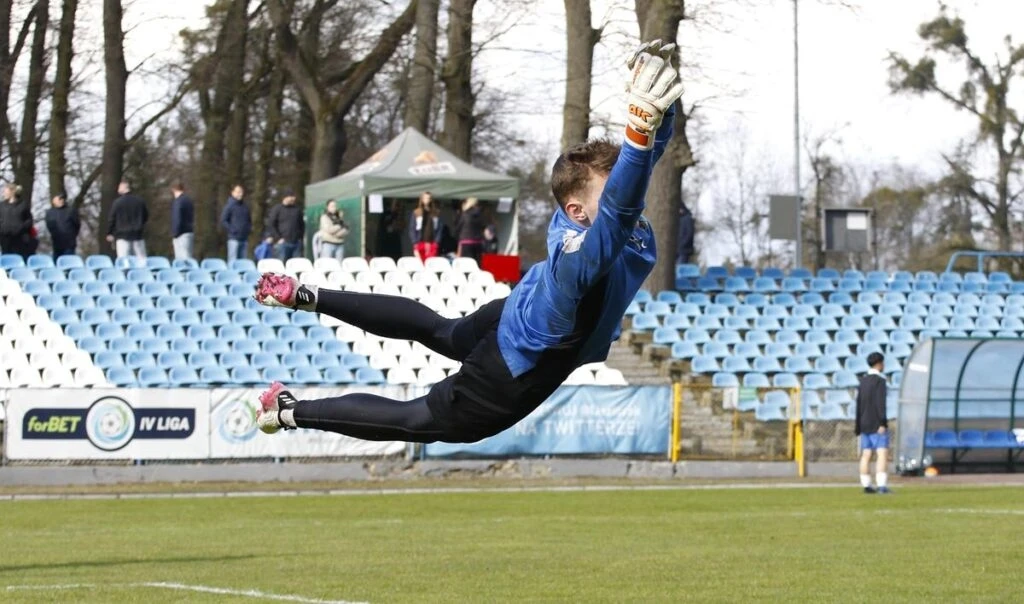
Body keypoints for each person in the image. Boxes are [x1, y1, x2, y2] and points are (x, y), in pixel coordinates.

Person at [251, 40, 683, 445]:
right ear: (577, 211)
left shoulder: (587, 220)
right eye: (610, 193)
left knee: (442, 331)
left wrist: (662, 110)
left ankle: (306, 295)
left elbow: (639, 168)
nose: (626, 194)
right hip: (514, 366)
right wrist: (638, 129)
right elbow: (621, 203)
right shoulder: (582, 259)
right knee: (414, 420)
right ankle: (287, 411)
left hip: (518, 313)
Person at [856, 352, 891, 494]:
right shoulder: (880, 381)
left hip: (864, 422)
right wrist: (882, 422)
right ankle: (881, 485)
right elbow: (880, 403)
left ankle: (866, 485)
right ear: (879, 364)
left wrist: (858, 425)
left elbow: (859, 404)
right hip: (876, 422)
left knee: (866, 454)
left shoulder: (862, 381)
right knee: (882, 453)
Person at [106, 179, 148, 259]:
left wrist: (110, 232)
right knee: (141, 261)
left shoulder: (117, 202)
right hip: (138, 235)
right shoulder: (140, 201)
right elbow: (145, 216)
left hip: (122, 236)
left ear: (123, 188)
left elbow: (112, 218)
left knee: (124, 260)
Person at [266, 189, 305, 261]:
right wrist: (278, 238)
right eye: (292, 196)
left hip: (296, 243)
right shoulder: (277, 209)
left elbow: (301, 225)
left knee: (296, 264)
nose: (294, 198)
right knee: (281, 264)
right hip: (282, 243)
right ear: (286, 197)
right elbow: (271, 224)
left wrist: (300, 239)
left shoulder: (297, 210)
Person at [0, 183, 34, 258]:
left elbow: (29, 220)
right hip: (5, 237)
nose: (4, 194)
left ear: (12, 192)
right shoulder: (1, 205)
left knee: (19, 257)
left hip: (19, 238)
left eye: (5, 191)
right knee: (6, 258)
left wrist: (21, 228)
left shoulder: (23, 205)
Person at [408, 191, 444, 261]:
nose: (427, 200)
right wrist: (414, 242)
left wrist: (436, 242)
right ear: (422, 199)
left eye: (428, 198)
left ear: (431, 200)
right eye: (425, 198)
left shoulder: (436, 212)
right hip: (419, 242)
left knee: (430, 262)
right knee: (420, 262)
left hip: (432, 243)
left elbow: (440, 228)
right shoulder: (416, 212)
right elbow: (412, 228)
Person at [220, 184, 251, 261]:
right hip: (234, 239)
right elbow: (224, 220)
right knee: (233, 260)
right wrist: (232, 230)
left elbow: (249, 220)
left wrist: (248, 229)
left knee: (243, 262)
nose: (240, 194)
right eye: (238, 192)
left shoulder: (245, 206)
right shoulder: (229, 206)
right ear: (233, 193)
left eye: (241, 192)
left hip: (244, 238)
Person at [44, 193, 80, 258]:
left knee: (68, 261)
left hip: (69, 244)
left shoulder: (71, 210)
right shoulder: (49, 213)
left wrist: (72, 236)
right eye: (59, 199)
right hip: (56, 243)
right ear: (53, 201)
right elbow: (49, 226)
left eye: (62, 199)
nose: (61, 200)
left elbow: (77, 225)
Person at [455, 197, 486, 262]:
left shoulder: (465, 214)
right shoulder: (481, 214)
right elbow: (483, 226)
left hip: (466, 242)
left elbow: (458, 227)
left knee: (466, 263)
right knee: (476, 263)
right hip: (478, 242)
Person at [170, 181, 195, 261]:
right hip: (189, 232)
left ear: (173, 190)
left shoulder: (178, 202)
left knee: (181, 259)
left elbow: (177, 218)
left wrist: (175, 233)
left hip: (180, 234)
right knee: (188, 257)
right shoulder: (188, 200)